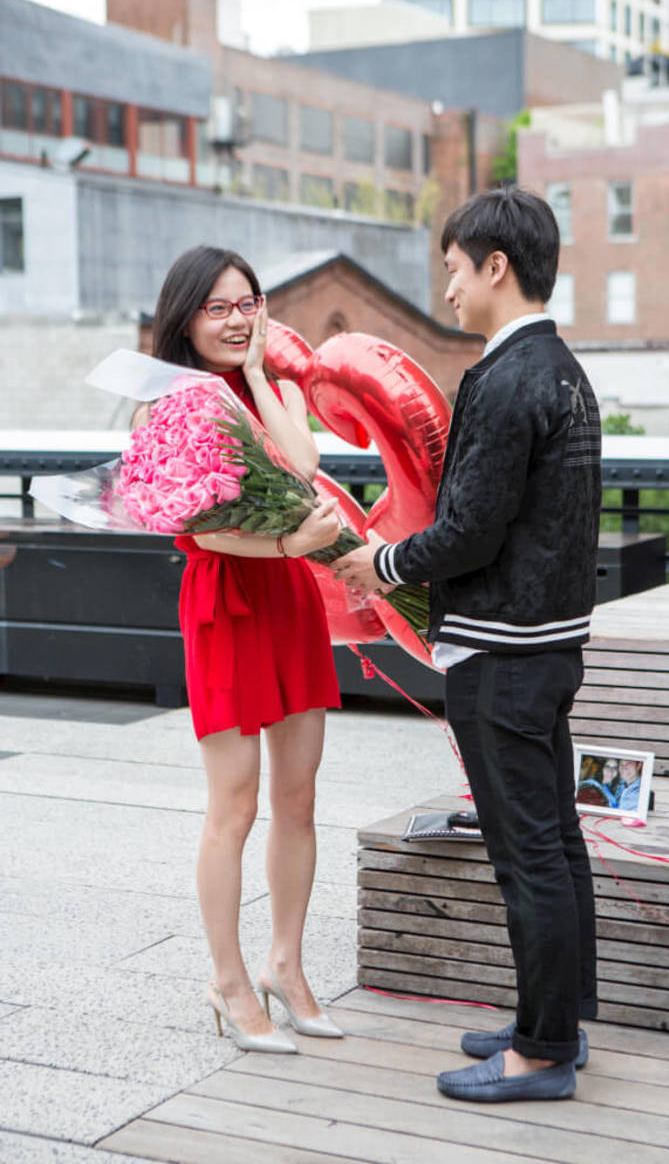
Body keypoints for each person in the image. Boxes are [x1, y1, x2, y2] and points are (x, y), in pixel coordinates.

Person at [333, 186, 601, 1102]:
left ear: (495, 266)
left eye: (452, 268)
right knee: (555, 840)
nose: (446, 289)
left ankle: (541, 1054)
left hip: (503, 654)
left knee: (527, 850)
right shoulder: (563, 368)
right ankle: (558, 1022)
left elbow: (471, 531)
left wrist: (384, 561)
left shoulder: (504, 375)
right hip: (551, 647)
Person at [150, 245, 344, 1052]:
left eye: (248, 304)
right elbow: (198, 528)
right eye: (218, 308)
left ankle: (286, 968)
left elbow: (302, 468)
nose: (236, 320)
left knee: (299, 799)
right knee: (234, 806)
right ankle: (227, 981)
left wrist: (262, 376)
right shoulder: (169, 404)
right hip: (227, 602)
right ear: (186, 317)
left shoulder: (282, 385)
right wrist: (291, 546)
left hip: (290, 599)